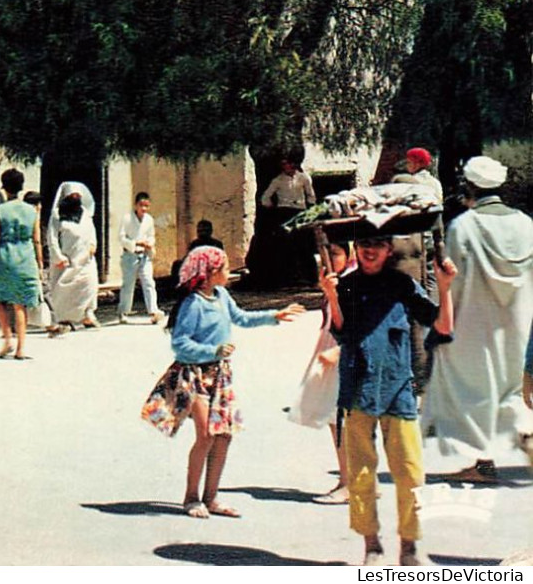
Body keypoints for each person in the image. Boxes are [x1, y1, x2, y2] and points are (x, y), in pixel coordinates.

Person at [323, 228, 457, 566]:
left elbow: (442, 327)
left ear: (387, 250)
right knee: (361, 474)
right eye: (364, 244)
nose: (370, 251)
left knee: (411, 473)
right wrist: (332, 295)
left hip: (399, 390)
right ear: (358, 247)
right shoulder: (347, 284)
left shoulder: (402, 285)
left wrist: (445, 287)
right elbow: (339, 330)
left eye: (378, 245)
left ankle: (409, 548)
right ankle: (372, 546)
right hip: (357, 391)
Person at [142, 246, 302, 519]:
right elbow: (180, 345)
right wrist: (212, 351)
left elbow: (241, 318)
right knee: (206, 435)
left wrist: (274, 315)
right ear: (208, 274)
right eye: (225, 268)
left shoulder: (222, 296)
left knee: (224, 435)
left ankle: (211, 497)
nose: (229, 273)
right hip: (194, 376)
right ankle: (191, 498)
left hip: (220, 376)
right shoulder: (193, 304)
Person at [423, 155, 533, 482]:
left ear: (468, 187)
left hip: (473, 328)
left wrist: (438, 320)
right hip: (519, 322)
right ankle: (526, 436)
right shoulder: (527, 224)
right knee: (512, 389)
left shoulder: (464, 225)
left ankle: (483, 463)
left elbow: (449, 280)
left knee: (472, 392)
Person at [287, 240, 354, 505]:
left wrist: (339, 351)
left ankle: (348, 482)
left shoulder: (349, 282)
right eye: (325, 255)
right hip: (331, 347)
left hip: (340, 351)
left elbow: (351, 323)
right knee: (339, 418)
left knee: (339, 418)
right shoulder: (335, 280)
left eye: (335, 254)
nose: (329, 260)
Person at [0, 168, 41, 359]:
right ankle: (21, 347)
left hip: (4, 258)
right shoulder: (32, 210)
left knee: (0, 300)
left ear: (4, 187)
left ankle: (7, 339)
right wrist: (39, 262)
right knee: (20, 304)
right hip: (26, 258)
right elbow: (36, 239)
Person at [46, 182, 99, 334]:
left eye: (78, 196)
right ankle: (64, 318)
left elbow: (91, 232)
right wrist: (58, 257)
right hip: (66, 261)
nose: (75, 199)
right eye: (72, 196)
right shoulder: (57, 215)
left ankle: (87, 314)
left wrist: (92, 246)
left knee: (89, 285)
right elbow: (52, 238)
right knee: (64, 292)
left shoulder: (85, 214)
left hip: (85, 260)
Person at [119, 192, 159, 324]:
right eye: (141, 205)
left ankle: (153, 311)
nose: (144, 209)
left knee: (148, 282)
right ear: (135, 205)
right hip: (130, 254)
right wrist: (136, 243)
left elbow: (151, 235)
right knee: (128, 285)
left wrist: (149, 243)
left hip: (145, 254)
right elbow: (121, 237)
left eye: (146, 206)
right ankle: (123, 312)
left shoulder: (149, 220)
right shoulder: (127, 219)